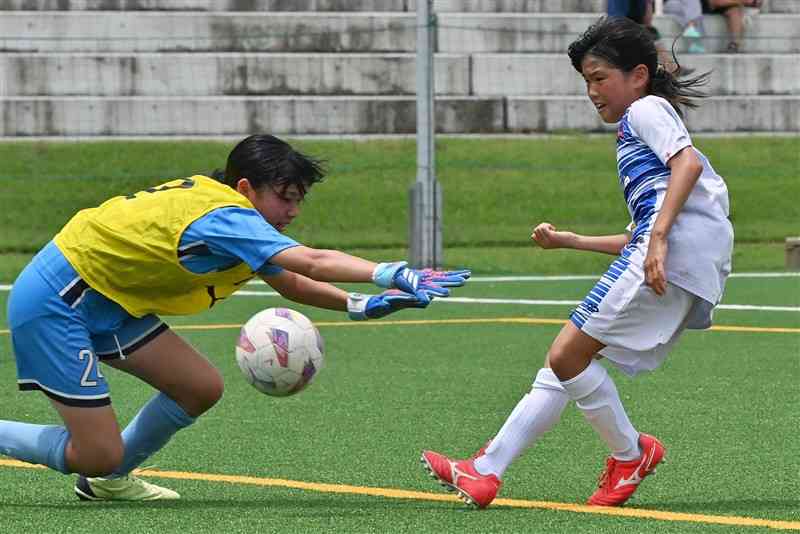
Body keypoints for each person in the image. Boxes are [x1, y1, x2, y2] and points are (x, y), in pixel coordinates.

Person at [2, 134, 471, 501]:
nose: (292, 210)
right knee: (97, 452)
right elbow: (308, 261)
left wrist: (360, 303)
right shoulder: (223, 216)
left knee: (198, 387)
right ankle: (103, 469)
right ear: (245, 188)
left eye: (298, 199)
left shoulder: (239, 221)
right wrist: (392, 271)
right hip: (57, 301)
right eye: (284, 197)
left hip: (109, 300)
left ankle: (107, 482)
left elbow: (289, 280)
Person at [420, 16, 733, 509]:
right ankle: (485, 471)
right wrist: (572, 240)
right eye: (586, 81)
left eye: (599, 78)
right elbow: (641, 231)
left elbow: (687, 165)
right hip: (687, 254)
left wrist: (659, 238)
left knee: (567, 355)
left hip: (678, 250)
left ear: (639, 76)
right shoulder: (642, 130)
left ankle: (630, 455)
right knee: (564, 365)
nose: (592, 91)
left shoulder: (647, 110)